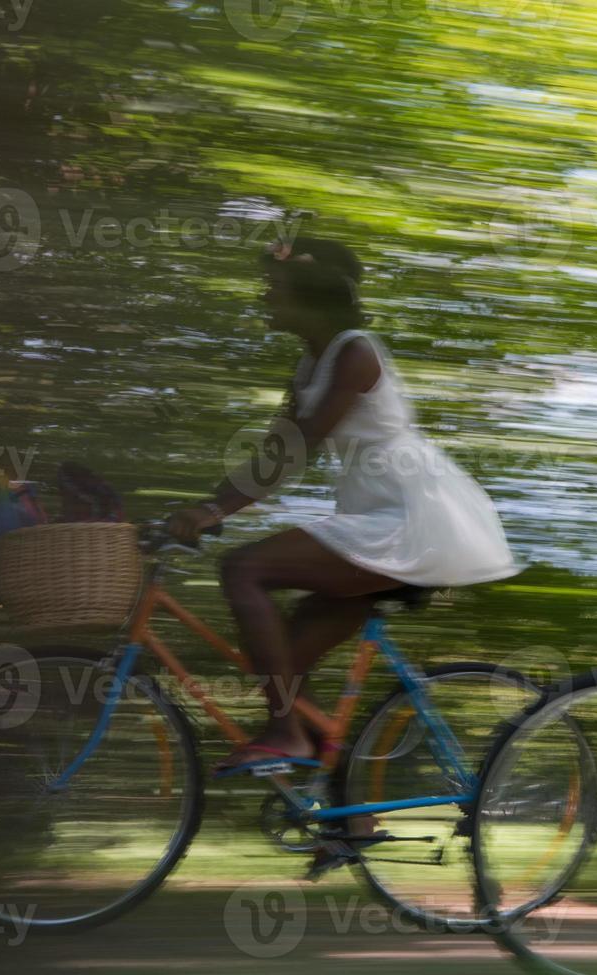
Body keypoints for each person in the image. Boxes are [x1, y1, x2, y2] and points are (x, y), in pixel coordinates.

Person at [168, 235, 521, 772]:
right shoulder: (311, 364)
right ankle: (346, 815)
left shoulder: (355, 352)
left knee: (242, 569)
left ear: (312, 293)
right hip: (377, 516)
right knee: (289, 654)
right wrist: (207, 504)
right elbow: (274, 452)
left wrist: (216, 514)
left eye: (275, 287)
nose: (264, 297)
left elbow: (302, 446)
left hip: (410, 519)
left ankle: (285, 735)